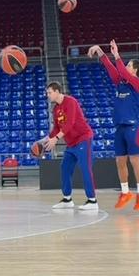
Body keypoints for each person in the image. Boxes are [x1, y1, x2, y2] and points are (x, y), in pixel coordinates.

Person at [88, 39, 139, 210]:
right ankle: (125, 191)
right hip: (120, 127)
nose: (126, 67)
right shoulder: (121, 83)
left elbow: (122, 70)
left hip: (134, 126)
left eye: (129, 65)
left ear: (135, 69)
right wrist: (100, 51)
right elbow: (112, 69)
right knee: (120, 161)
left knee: (135, 160)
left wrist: (116, 55)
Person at [42, 81, 98, 211]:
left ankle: (92, 201)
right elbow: (57, 128)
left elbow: (70, 123)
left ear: (57, 91)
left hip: (83, 139)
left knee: (85, 169)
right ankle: (67, 199)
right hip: (71, 143)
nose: (48, 95)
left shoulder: (71, 102)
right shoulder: (56, 109)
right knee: (65, 167)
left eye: (49, 92)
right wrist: (47, 139)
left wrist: (55, 139)